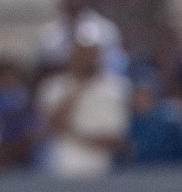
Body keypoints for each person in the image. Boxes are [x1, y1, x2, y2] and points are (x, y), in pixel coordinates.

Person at [37, 17, 129, 178]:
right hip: (59, 173)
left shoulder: (115, 89)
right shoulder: (53, 87)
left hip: (101, 175)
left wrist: (73, 135)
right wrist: (80, 88)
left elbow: (115, 140)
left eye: (90, 53)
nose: (85, 58)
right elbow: (52, 122)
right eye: (80, 52)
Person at [125, 68, 182, 164]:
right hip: (135, 174)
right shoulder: (127, 123)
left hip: (168, 172)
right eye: (138, 94)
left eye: (145, 94)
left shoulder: (170, 123)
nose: (141, 98)